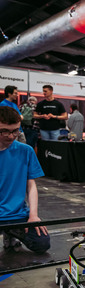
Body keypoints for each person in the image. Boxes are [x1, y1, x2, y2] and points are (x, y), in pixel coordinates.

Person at [0, 106, 50, 254]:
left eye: (15, 130)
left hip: (17, 215)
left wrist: (33, 215)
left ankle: (10, 233)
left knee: (42, 244)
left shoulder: (26, 151)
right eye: (4, 131)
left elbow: (31, 186)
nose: (11, 136)